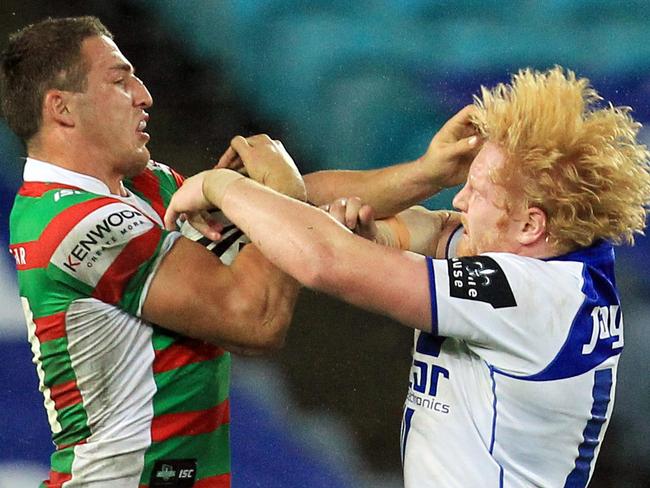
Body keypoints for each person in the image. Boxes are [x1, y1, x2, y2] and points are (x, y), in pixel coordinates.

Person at [164, 67, 650, 487]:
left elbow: (324, 262)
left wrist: (220, 185)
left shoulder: (524, 294)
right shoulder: (562, 258)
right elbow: (423, 227)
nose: (458, 202)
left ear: (530, 224)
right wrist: (410, 192)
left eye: (476, 192)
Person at [1, 16, 307, 487]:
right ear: (61, 108)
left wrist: (420, 175)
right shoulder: (75, 223)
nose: (145, 95)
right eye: (120, 81)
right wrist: (286, 196)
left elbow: (277, 211)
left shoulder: (139, 189)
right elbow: (255, 317)